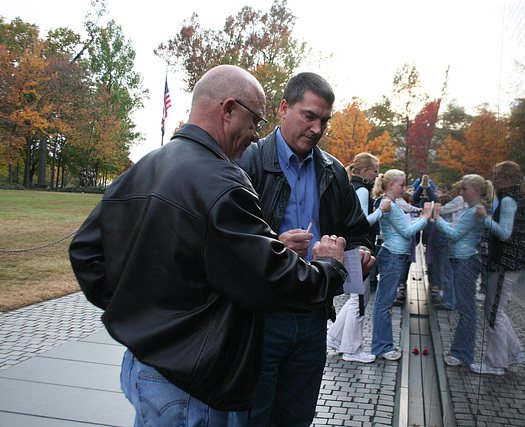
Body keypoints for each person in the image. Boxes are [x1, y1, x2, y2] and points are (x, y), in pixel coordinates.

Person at [68, 65, 351, 426]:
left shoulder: (147, 165)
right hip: (188, 386)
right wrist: (331, 266)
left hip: (144, 365)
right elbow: (270, 278)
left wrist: (142, 318)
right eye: (254, 122)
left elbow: (86, 253)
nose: (254, 136)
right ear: (228, 109)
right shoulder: (222, 182)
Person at [235, 72, 371, 426]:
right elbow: (225, 245)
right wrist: (274, 248)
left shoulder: (333, 171)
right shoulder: (247, 162)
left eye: (324, 120)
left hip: (312, 318)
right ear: (283, 108)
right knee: (252, 418)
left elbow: (358, 233)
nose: (317, 128)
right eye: (308, 116)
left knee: (297, 419)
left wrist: (358, 258)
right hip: (260, 319)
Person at [327, 153, 391, 363]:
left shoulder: (352, 188)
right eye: (375, 170)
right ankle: (352, 349)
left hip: (353, 249)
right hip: (359, 250)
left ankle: (335, 337)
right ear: (364, 172)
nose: (377, 174)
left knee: (355, 297)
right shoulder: (362, 190)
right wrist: (381, 211)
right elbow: (363, 222)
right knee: (359, 300)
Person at [471, 161, 525, 375]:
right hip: (510, 262)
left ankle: (496, 362)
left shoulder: (507, 200)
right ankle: (513, 353)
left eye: (496, 177)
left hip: (505, 262)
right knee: (497, 310)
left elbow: (505, 233)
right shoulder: (517, 198)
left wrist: (484, 218)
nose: (493, 181)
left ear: (506, 180)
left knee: (494, 312)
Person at [432, 174, 493, 367]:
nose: (461, 192)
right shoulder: (472, 209)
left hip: (465, 261)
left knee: (467, 310)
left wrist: (437, 218)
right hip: (461, 259)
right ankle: (460, 351)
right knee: (465, 309)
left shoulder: (477, 210)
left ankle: (463, 353)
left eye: (465, 189)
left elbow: (455, 234)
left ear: (476, 190)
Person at [371, 169, 431, 360]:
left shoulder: (393, 204)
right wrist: (426, 218)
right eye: (402, 185)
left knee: (384, 302)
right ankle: (382, 346)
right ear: (390, 185)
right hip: (393, 256)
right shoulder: (389, 204)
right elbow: (406, 232)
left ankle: (383, 345)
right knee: (384, 303)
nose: (404, 188)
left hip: (394, 255)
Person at [433, 181, 467, 310]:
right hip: (459, 240)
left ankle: (449, 301)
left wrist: (432, 212)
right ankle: (452, 300)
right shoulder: (465, 202)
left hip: (453, 239)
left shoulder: (459, 200)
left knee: (448, 272)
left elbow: (442, 210)